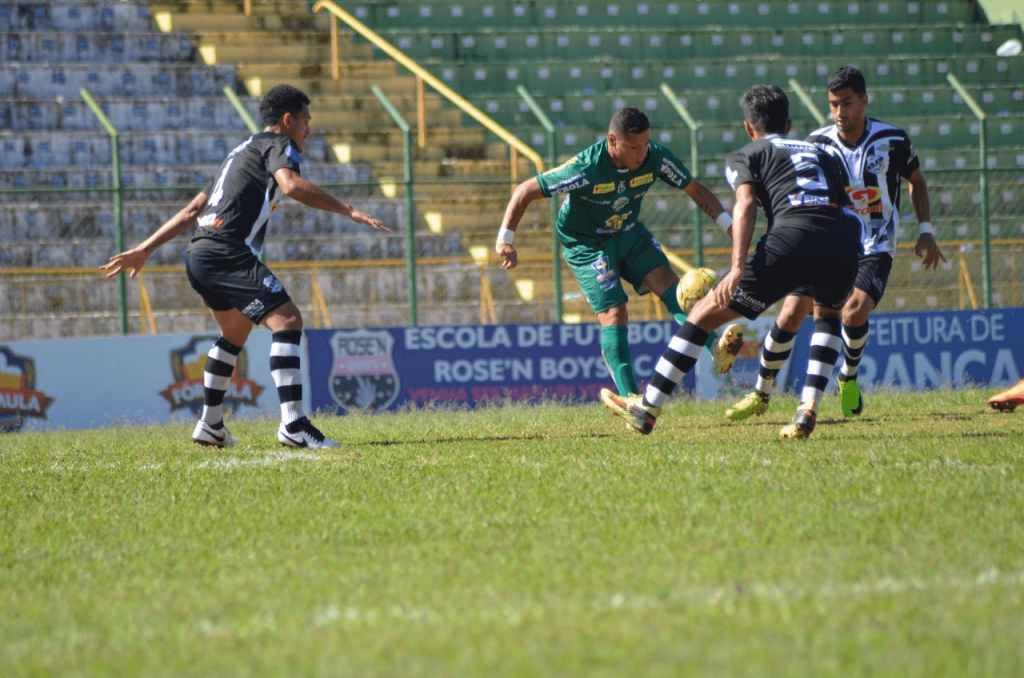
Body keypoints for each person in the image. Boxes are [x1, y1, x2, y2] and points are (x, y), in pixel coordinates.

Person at [100, 84, 390, 450]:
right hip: (227, 251)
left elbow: (193, 211)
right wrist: (348, 210)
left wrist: (145, 249)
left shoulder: (238, 152)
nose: (308, 129)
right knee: (288, 321)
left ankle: (210, 424)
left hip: (199, 254)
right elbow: (291, 185)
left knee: (235, 333)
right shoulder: (279, 145)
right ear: (288, 120)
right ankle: (294, 425)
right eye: (306, 121)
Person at [601, 84, 863, 440]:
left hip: (792, 235)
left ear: (749, 127)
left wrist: (738, 266)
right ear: (788, 124)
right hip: (844, 239)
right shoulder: (824, 151)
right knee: (827, 316)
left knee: (702, 314)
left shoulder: (748, 153)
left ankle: (647, 409)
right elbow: (846, 204)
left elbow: (746, 202)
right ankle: (808, 409)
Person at [726, 66, 946, 422]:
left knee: (853, 312)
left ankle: (848, 375)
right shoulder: (816, 143)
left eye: (847, 103)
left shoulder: (892, 140)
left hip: (874, 244)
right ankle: (760, 392)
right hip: (826, 242)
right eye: (833, 104)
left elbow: (916, 181)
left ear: (864, 101)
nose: (840, 112)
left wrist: (926, 229)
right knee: (790, 314)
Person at [494, 107, 744, 413]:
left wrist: (731, 228)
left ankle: (716, 348)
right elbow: (524, 191)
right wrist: (505, 239)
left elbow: (695, 189)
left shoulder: (655, 158)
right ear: (612, 141)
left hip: (627, 231)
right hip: (587, 242)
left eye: (646, 144)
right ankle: (632, 401)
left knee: (671, 286)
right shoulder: (587, 167)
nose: (642, 154)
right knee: (615, 313)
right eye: (634, 147)